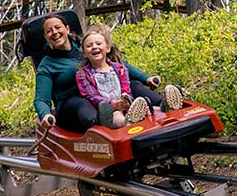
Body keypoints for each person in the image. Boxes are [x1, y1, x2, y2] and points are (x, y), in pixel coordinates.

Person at [32, 15, 179, 132]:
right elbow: (41, 98)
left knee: (133, 85)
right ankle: (103, 123)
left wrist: (146, 78)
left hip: (105, 92)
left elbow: (119, 66)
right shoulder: (47, 65)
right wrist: (45, 114)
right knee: (81, 103)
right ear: (45, 37)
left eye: (57, 27)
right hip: (75, 105)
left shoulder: (87, 48)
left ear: (67, 28)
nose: (54, 33)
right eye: (49, 31)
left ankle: (164, 105)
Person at [74, 24, 183, 127]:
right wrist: (113, 104)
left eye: (98, 44)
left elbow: (126, 87)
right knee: (116, 116)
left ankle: (167, 108)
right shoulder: (83, 74)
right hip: (108, 109)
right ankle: (127, 122)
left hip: (125, 104)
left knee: (145, 107)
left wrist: (125, 99)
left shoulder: (120, 69)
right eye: (89, 45)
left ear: (108, 48)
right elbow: (91, 95)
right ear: (84, 53)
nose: (94, 47)